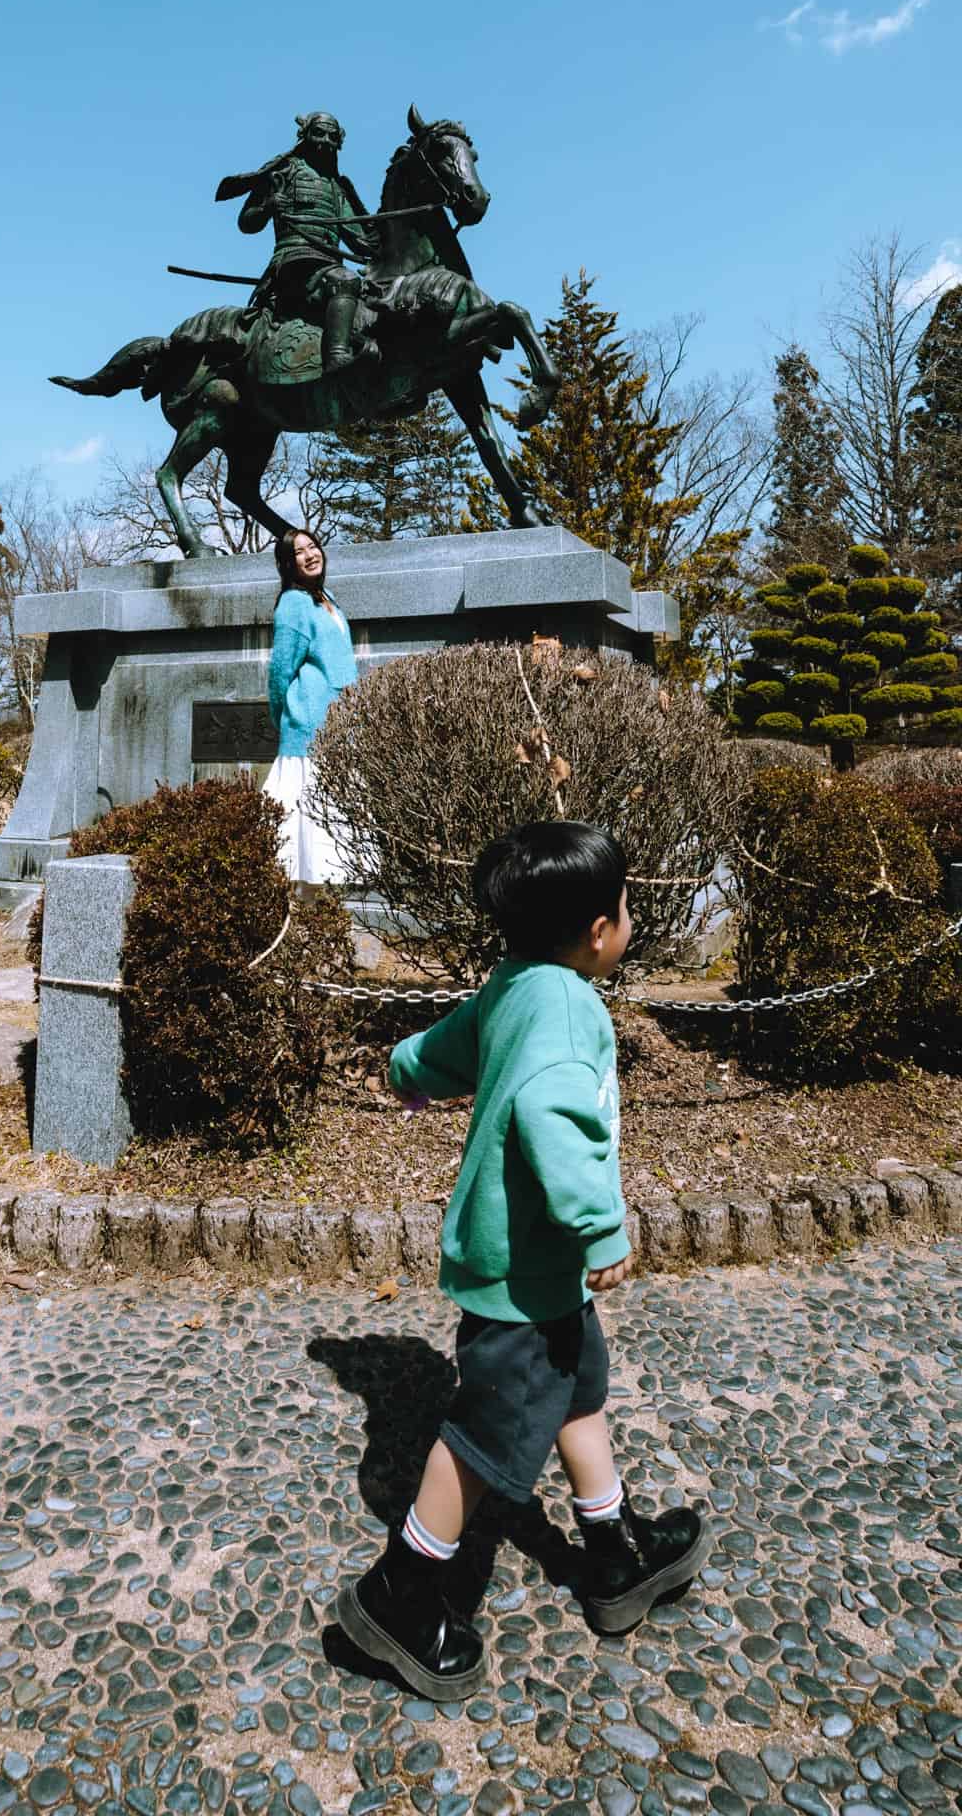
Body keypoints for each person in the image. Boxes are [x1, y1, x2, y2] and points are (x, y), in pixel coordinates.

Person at [337, 821, 707, 1701]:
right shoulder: (571, 1004)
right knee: (483, 1440)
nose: (627, 920)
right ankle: (401, 1591)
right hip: (527, 1266)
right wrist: (601, 1227)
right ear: (596, 929)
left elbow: (452, 1045)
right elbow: (552, 1114)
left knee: (576, 1392)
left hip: (527, 1263)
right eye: (624, 907)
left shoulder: (514, 983)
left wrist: (405, 1070)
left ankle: (612, 1552)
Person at [216, 111, 375, 372]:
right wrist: (268, 205)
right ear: (305, 136)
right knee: (346, 280)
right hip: (294, 263)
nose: (325, 141)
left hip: (328, 265)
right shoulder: (284, 173)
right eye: (319, 133)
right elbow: (247, 222)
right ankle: (337, 357)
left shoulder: (337, 187)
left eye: (332, 137)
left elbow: (359, 240)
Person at [264, 528, 358, 885]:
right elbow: (280, 673)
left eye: (313, 546)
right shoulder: (294, 603)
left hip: (340, 727)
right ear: (288, 563)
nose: (309, 555)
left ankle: (321, 922)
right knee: (301, 838)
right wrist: (288, 717)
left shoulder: (326, 597)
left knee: (328, 839)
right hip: (308, 730)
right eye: (299, 552)